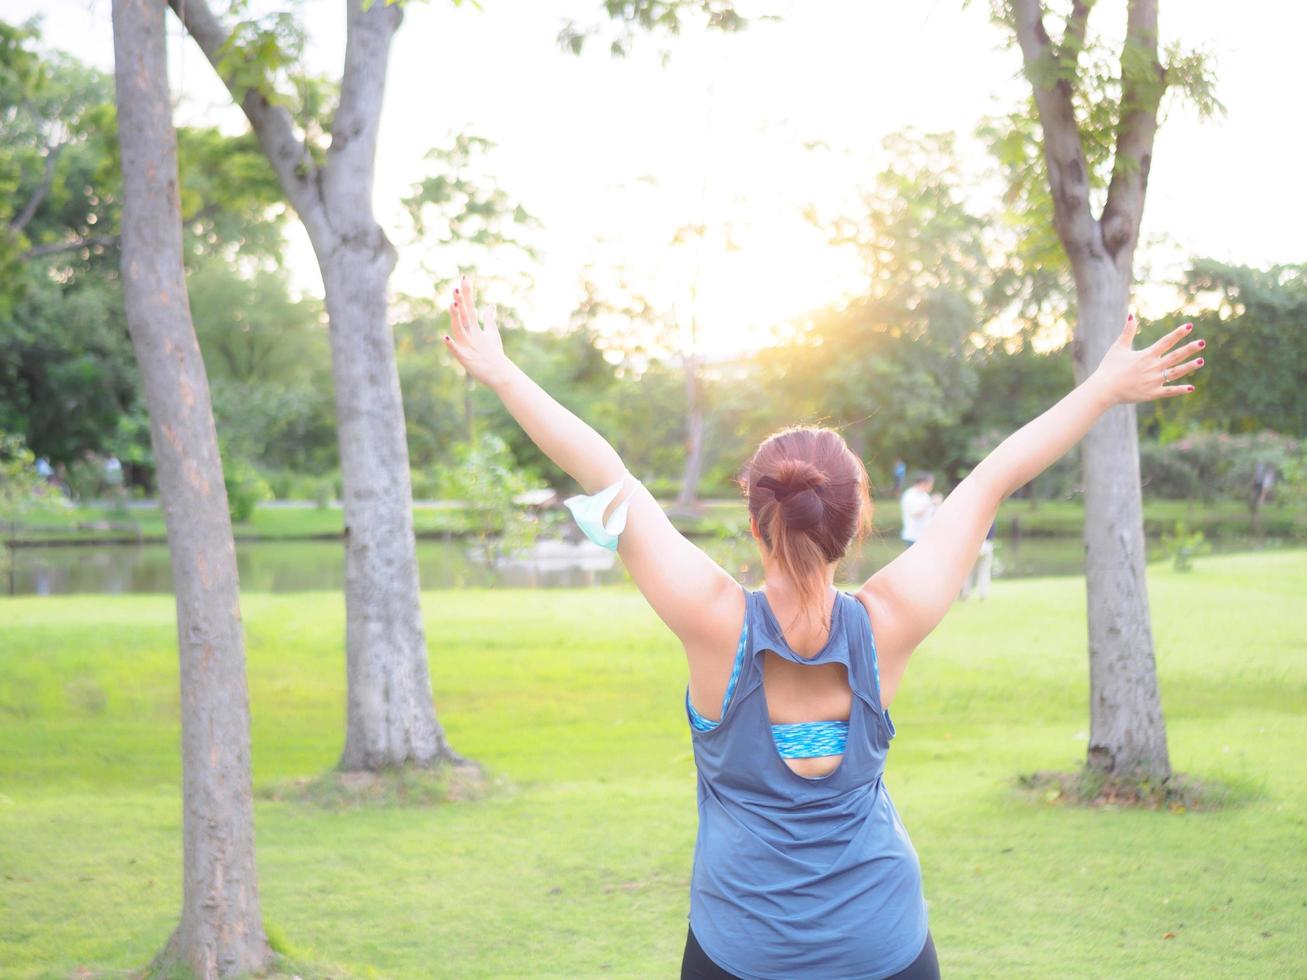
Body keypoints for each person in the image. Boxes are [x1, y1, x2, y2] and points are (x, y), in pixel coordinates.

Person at [441, 283, 1203, 979]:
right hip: (885, 944)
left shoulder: (713, 621)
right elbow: (992, 476)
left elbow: (606, 477)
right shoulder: (889, 622)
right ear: (856, 520)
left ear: (754, 517)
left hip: (741, 951)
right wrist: (1103, 389)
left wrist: (503, 374)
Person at [959, 520, 997, 601]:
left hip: (975, 544)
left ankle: (966, 593)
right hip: (986, 545)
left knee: (969, 572)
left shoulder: (976, 516)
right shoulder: (991, 518)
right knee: (984, 571)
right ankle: (983, 594)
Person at [899, 472, 939, 546]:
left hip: (924, 536)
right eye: (931, 484)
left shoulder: (925, 495)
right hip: (913, 536)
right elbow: (916, 513)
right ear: (923, 483)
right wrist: (931, 503)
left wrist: (937, 504)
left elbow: (932, 514)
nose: (932, 486)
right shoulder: (910, 495)